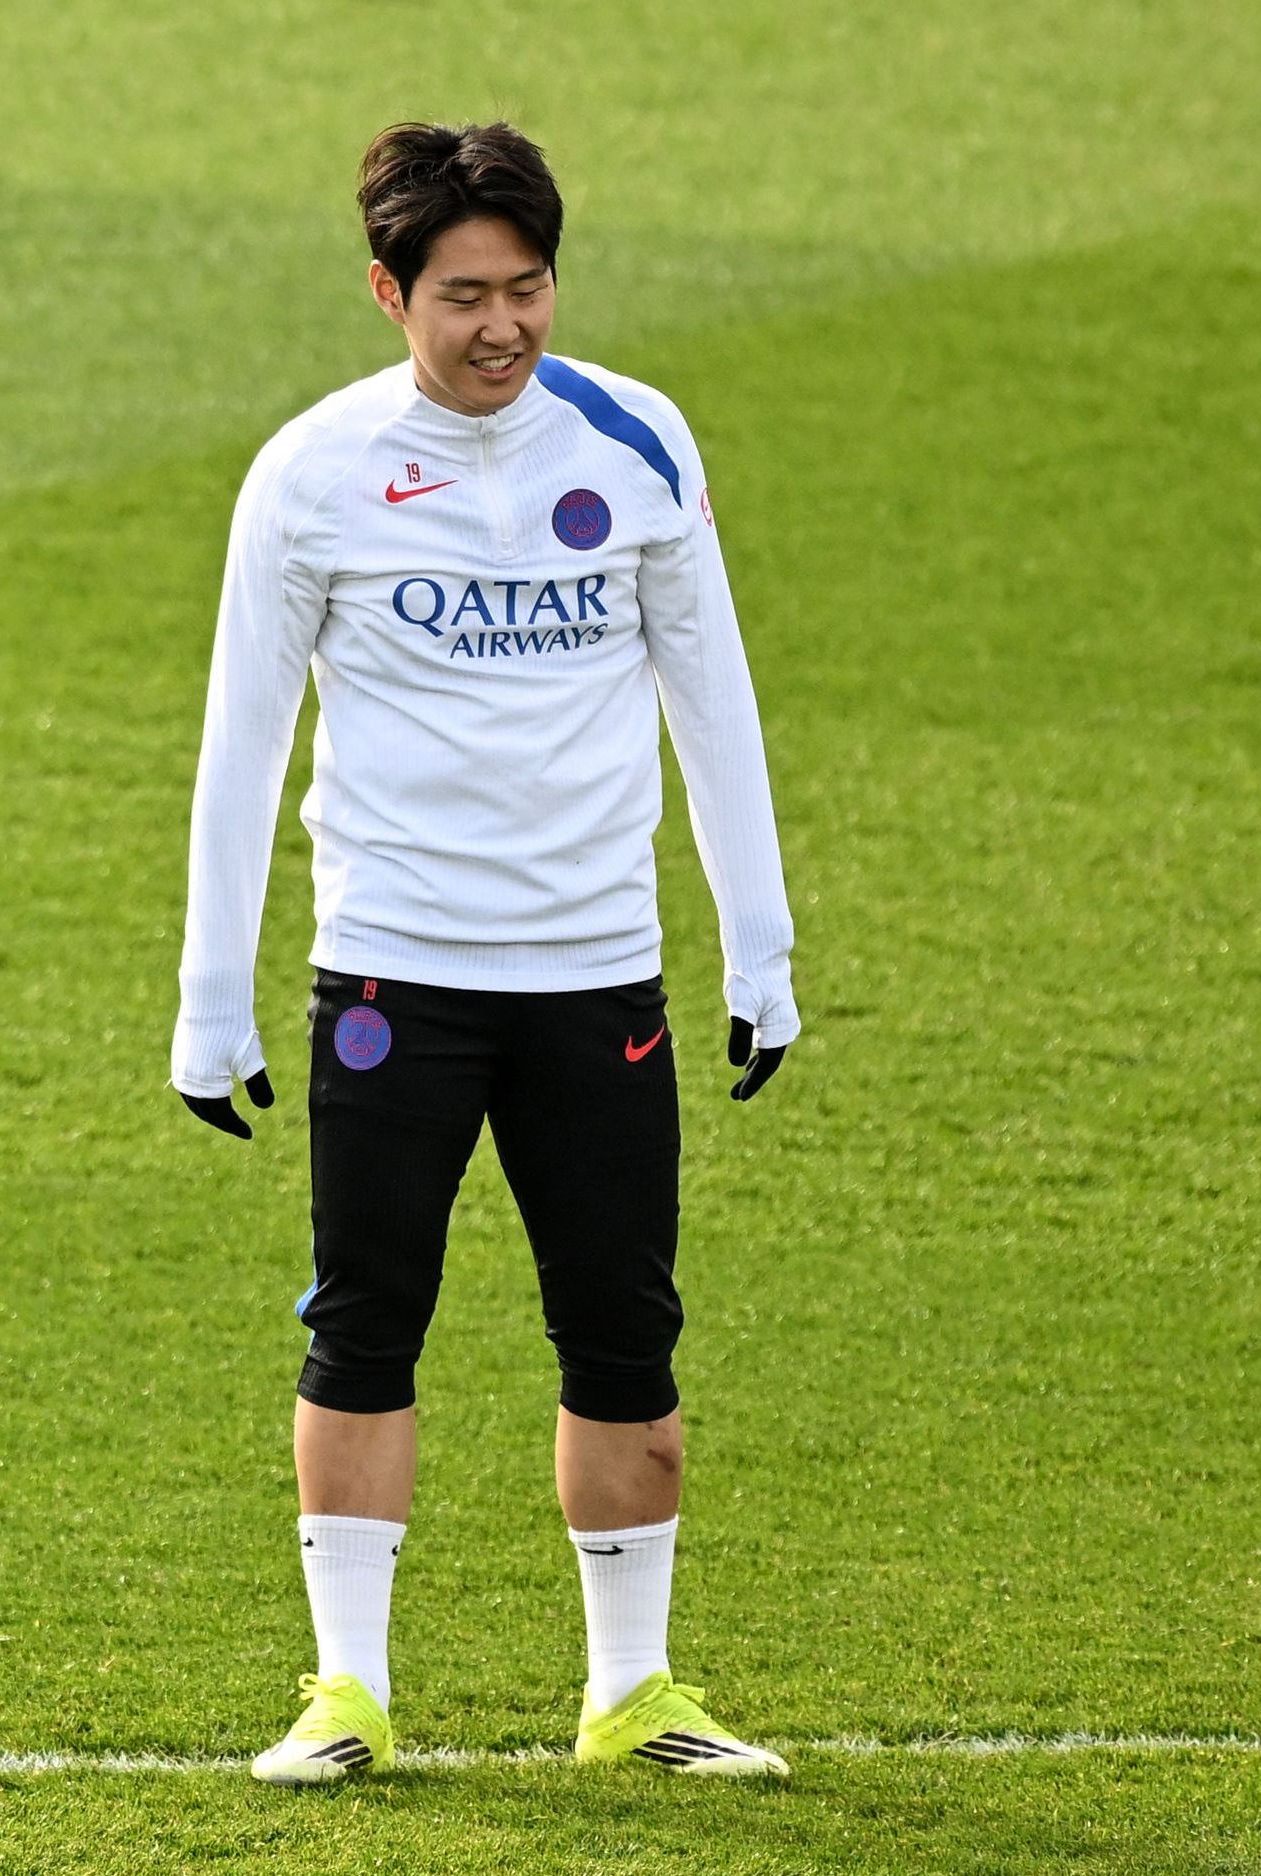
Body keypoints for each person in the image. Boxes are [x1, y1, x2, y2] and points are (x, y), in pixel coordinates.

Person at [174, 122, 805, 1785]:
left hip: (592, 973)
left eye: (525, 287)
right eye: (461, 295)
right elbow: (237, 746)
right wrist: (203, 1000)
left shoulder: (634, 442)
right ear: (388, 292)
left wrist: (759, 948)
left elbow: (708, 699)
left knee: (622, 1337)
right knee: (360, 1324)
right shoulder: (308, 476)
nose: (500, 326)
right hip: (389, 973)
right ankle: (343, 1694)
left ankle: (631, 1692)